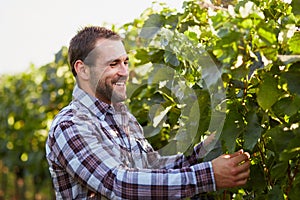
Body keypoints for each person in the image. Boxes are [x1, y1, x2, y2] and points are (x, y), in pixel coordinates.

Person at [45, 26, 250, 199]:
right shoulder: (69, 125)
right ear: (83, 70)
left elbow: (153, 169)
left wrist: (201, 151)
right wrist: (208, 176)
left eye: (125, 62)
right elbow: (118, 183)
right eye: (113, 64)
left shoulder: (124, 118)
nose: (125, 72)